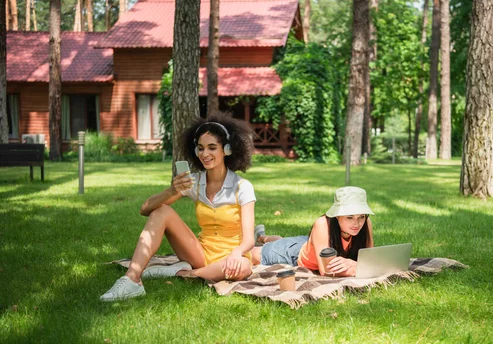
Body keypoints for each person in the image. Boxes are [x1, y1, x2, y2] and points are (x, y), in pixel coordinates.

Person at [100, 112, 256, 301]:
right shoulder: (195, 182)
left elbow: (249, 240)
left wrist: (236, 254)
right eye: (200, 148)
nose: (205, 154)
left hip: (231, 257)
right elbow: (145, 209)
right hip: (200, 253)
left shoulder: (242, 187)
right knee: (162, 211)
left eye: (212, 148)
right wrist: (171, 190)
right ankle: (132, 279)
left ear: (228, 150)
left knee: (244, 267)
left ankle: (187, 273)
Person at [251, 186, 374, 277]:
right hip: (294, 255)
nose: (357, 223)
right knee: (253, 254)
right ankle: (260, 238)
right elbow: (326, 271)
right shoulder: (322, 224)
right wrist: (356, 266)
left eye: (361, 217)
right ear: (337, 215)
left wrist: (354, 264)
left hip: (312, 243)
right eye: (350, 217)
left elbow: (370, 259)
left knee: (282, 241)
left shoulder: (366, 223)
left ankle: (261, 236)